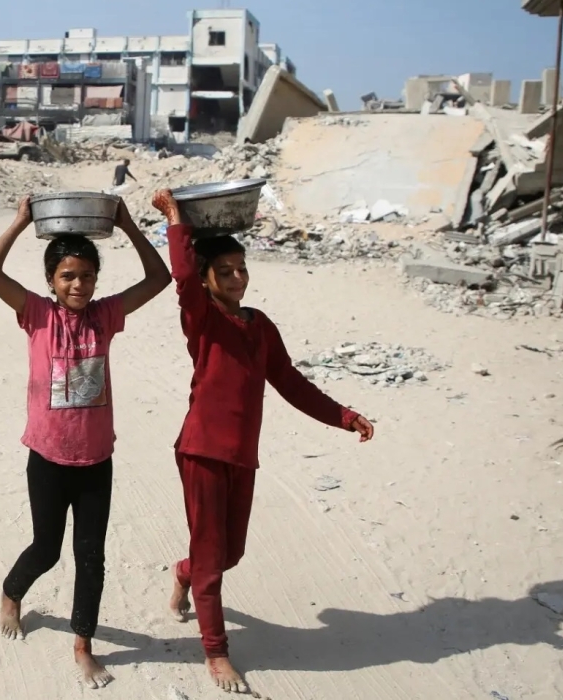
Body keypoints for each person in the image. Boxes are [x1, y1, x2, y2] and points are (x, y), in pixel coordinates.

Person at [152, 189, 375, 693]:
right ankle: (216, 653)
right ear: (207, 279)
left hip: (241, 455)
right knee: (214, 560)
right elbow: (182, 277)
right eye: (225, 271)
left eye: (241, 268)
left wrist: (343, 416)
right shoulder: (203, 318)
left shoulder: (260, 326)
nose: (237, 278)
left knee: (229, 554)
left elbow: (291, 383)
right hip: (202, 451)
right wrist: (176, 219)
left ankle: (184, 573)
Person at [0, 195, 171, 689]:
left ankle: (83, 645)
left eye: (86, 276)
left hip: (96, 460)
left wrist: (128, 224)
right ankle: (11, 592)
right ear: (51, 281)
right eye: (67, 276)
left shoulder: (106, 315)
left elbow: (159, 279)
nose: (78, 285)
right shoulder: (37, 315)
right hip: (47, 457)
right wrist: (20, 221)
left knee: (91, 556)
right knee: (47, 549)